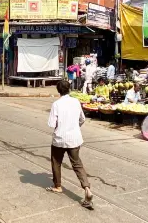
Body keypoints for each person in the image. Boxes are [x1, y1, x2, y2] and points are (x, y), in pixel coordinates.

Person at [46, 80, 93, 209]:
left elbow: (51, 124)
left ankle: (58, 186)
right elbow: (82, 119)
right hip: (74, 138)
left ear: (58, 90)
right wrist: (74, 127)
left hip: (59, 139)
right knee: (77, 164)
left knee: (56, 162)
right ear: (69, 89)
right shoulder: (76, 102)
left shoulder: (56, 104)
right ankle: (87, 188)